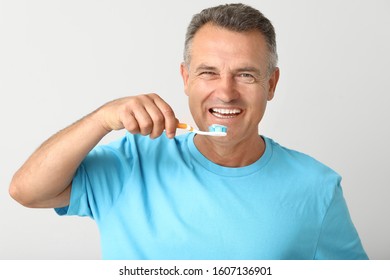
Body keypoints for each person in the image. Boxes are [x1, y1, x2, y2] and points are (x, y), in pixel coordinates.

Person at [9, 3, 368, 260]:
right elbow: (26, 190)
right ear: (185, 78)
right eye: (208, 72)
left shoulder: (316, 187)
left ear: (271, 84)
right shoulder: (132, 160)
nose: (225, 92)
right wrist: (101, 119)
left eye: (245, 74)